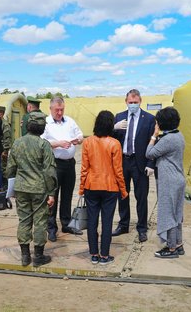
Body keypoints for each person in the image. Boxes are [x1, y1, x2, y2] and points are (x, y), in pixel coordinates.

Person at [6, 112, 58, 267]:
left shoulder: (17, 143)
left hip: (21, 188)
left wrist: (12, 187)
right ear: (42, 128)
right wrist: (51, 192)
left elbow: (10, 168)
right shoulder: (44, 145)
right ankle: (39, 256)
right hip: (39, 190)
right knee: (40, 221)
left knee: (24, 220)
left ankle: (25, 256)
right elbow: (49, 171)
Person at [79, 111, 127, 265]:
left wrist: (81, 189)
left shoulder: (87, 142)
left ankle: (93, 254)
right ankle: (105, 256)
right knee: (107, 222)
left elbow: (84, 168)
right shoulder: (115, 143)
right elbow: (118, 171)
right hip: (110, 188)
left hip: (91, 186)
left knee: (92, 221)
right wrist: (123, 190)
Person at [112, 89, 155, 242]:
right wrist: (114, 128)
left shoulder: (149, 119)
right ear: (126, 102)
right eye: (130, 103)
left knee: (141, 196)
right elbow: (111, 139)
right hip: (123, 161)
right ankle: (123, 225)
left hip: (140, 162)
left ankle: (142, 227)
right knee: (122, 195)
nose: (133, 105)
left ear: (140, 101)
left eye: (135, 103)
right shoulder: (119, 117)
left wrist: (151, 163)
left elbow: (154, 141)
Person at [41, 96, 84, 242]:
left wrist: (78, 139)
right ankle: (51, 227)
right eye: (57, 110)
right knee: (52, 196)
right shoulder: (45, 123)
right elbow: (41, 142)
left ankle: (66, 223)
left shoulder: (70, 121)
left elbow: (80, 134)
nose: (59, 112)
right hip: (54, 164)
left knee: (67, 194)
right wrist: (57, 144)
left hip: (69, 164)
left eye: (62, 109)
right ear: (51, 109)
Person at [145, 107, 185, 259]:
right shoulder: (179, 135)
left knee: (168, 214)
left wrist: (154, 136)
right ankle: (179, 244)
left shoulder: (167, 139)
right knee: (177, 213)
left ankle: (171, 248)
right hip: (178, 178)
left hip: (169, 180)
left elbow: (149, 153)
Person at [0, 106, 12, 188]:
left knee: (3, 169)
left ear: (1, 114)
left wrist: (5, 151)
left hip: (2, 150)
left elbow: (7, 139)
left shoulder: (5, 124)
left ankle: (5, 187)